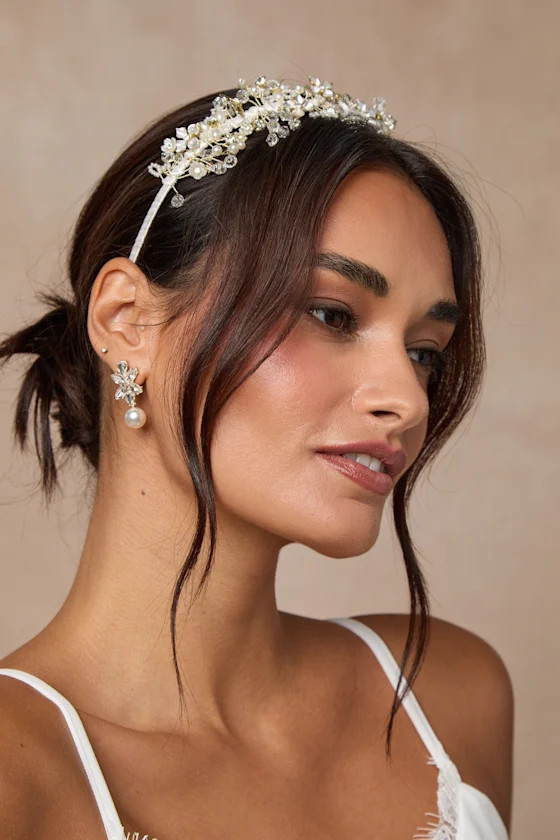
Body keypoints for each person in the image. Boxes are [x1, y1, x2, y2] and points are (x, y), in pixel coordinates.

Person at [0, 76, 513, 839]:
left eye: (424, 352)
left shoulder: (451, 699)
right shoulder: (17, 778)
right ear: (127, 320)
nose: (408, 400)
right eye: (332, 314)